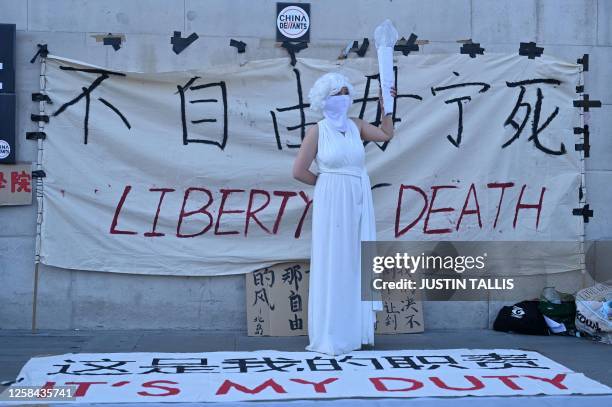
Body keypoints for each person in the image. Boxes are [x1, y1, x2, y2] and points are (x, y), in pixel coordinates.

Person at [292, 72, 396, 355]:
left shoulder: (357, 126)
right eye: (336, 94)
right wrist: (327, 185)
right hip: (332, 199)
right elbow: (299, 171)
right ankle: (331, 333)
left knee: (354, 259)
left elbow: (386, 134)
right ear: (324, 99)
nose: (343, 98)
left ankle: (354, 330)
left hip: (358, 197)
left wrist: (388, 107)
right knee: (334, 259)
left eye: (346, 92)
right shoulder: (317, 131)